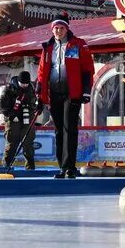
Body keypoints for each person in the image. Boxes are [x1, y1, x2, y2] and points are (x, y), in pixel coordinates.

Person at [36, 13, 94, 179]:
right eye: (56, 28)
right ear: (52, 29)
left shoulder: (78, 44)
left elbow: (87, 70)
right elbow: (41, 73)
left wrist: (86, 91)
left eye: (61, 28)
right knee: (59, 130)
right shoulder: (47, 48)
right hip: (54, 92)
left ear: (67, 29)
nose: (58, 31)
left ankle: (70, 167)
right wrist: (40, 95)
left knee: (70, 129)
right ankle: (62, 166)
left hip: (72, 92)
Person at [0, 71, 39, 172]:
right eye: (23, 84)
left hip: (27, 118)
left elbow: (35, 102)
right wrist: (11, 115)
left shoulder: (32, 89)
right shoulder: (9, 89)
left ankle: (30, 168)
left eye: (26, 83)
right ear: (18, 81)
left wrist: (36, 107)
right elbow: (2, 106)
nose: (25, 85)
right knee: (12, 143)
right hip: (13, 119)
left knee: (28, 143)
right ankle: (6, 166)